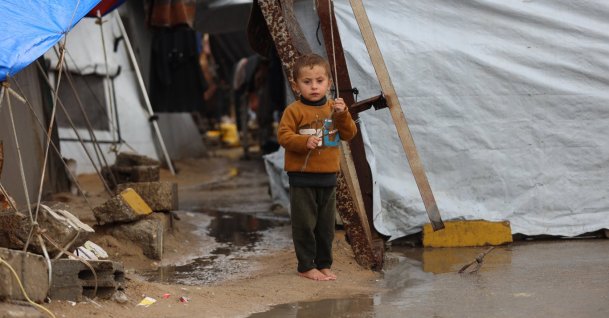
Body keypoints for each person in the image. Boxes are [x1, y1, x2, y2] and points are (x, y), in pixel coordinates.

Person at [277, 53, 357, 281]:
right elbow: (283, 136)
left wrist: (343, 114)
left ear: (329, 84)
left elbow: (349, 133)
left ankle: (324, 264)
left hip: (328, 177)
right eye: (307, 82)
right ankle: (305, 266)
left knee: (326, 227)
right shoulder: (294, 110)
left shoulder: (335, 108)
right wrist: (304, 142)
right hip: (301, 178)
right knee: (304, 224)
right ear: (296, 85)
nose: (314, 86)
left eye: (319, 81)